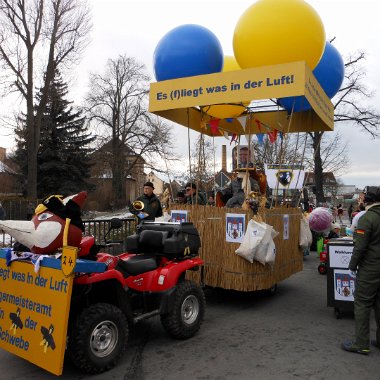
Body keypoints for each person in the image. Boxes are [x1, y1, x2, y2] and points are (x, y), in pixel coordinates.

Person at [342, 186, 380, 355]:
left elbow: (360, 247)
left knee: (363, 304)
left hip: (370, 268)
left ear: (368, 200)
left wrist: (352, 266)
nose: (361, 199)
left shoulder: (367, 218)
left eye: (363, 196)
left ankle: (361, 343)